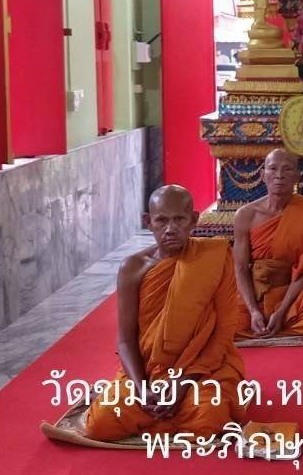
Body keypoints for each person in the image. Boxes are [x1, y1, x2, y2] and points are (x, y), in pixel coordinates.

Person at [83, 185, 245, 440]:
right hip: (149, 370)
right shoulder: (133, 268)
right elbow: (125, 340)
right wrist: (141, 389)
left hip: (202, 368)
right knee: (100, 424)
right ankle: (129, 400)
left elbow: (224, 330)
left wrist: (184, 381)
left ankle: (159, 414)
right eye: (161, 220)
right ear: (148, 222)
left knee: (208, 420)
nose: (170, 228)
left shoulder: (215, 256)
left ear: (194, 219)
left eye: (179, 219)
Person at [232, 149, 303, 340]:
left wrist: (282, 310)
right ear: (262, 175)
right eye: (272, 168)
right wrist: (253, 311)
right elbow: (240, 268)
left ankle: (279, 319)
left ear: (297, 176)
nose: (279, 175)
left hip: (289, 296)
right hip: (252, 294)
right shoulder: (245, 215)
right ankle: (260, 318)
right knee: (220, 324)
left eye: (287, 169)